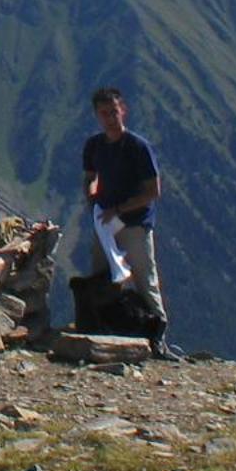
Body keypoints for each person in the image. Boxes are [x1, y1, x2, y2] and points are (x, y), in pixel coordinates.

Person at [81, 85, 173, 356]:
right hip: (105, 222)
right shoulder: (94, 145)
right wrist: (91, 198)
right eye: (104, 113)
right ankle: (105, 332)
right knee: (102, 278)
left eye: (114, 111)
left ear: (124, 110)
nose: (110, 118)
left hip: (135, 223)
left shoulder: (138, 147)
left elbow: (153, 191)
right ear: (97, 116)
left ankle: (159, 339)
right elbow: (89, 176)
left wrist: (119, 209)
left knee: (145, 280)